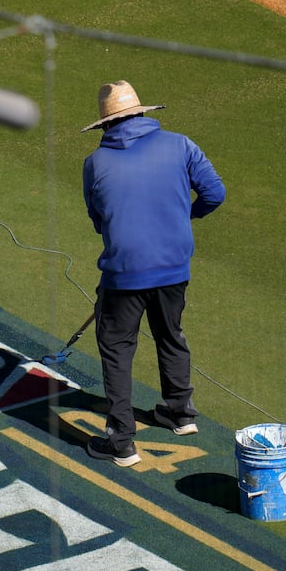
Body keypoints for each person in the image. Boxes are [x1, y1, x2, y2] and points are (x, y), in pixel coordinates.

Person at [80, 80, 224, 467]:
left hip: (124, 275)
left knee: (116, 350)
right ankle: (179, 414)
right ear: (142, 114)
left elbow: (99, 221)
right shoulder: (181, 145)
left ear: (106, 125)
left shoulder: (95, 164)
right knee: (170, 334)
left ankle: (122, 442)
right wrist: (183, 216)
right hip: (174, 268)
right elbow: (215, 193)